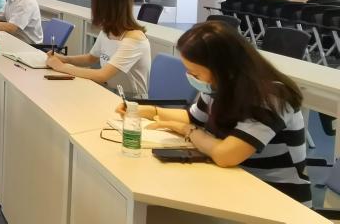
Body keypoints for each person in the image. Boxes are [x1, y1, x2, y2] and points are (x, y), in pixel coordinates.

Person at [119, 21, 311, 205]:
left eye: (195, 73)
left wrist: (188, 131)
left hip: (276, 197)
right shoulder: (219, 85)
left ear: (222, 68)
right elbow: (193, 117)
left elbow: (225, 155)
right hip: (233, 183)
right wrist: (148, 111)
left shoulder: (272, 96)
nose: (191, 77)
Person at [45, 0, 151, 98]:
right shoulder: (108, 30)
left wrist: (61, 67)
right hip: (110, 93)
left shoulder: (134, 39)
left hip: (132, 101)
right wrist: (65, 59)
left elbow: (102, 75)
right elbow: (91, 58)